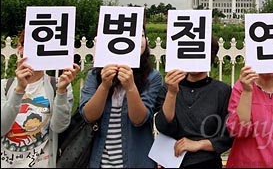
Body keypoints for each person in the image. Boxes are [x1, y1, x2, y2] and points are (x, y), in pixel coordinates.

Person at [79, 23, 163, 168]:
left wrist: (130, 87)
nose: (139, 41)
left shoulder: (152, 77)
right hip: (100, 162)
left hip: (136, 161)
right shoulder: (94, 75)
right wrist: (105, 85)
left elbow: (139, 119)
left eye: (142, 35)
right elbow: (88, 115)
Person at [1, 29, 80, 168]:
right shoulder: (3, 86)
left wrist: (61, 92)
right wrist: (19, 90)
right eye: (31, 45)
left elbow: (59, 127)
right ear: (20, 48)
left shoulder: (58, 86)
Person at [154, 36, 233, 169]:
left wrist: (198, 144)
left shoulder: (222, 91)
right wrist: (172, 93)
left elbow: (227, 136)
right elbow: (163, 126)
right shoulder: (169, 88)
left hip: (207, 162)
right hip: (172, 160)